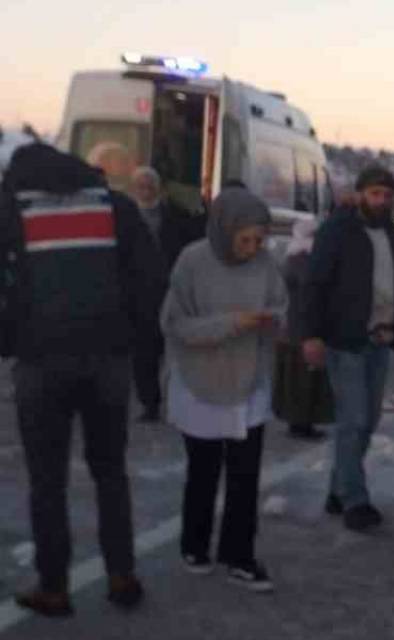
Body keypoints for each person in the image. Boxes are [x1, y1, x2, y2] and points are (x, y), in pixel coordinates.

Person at [0, 144, 162, 616]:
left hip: (41, 364)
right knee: (110, 472)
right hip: (107, 363)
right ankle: (122, 576)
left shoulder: (13, 209)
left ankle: (54, 587)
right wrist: (128, 336)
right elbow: (149, 279)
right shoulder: (115, 206)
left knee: (47, 481)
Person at [161, 188, 285, 592]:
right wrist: (233, 323)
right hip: (200, 381)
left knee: (245, 475)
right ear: (223, 230)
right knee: (203, 469)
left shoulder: (266, 266)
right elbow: (176, 325)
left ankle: (240, 556)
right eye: (245, 240)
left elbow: (282, 309)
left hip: (249, 381)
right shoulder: (193, 261)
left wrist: (273, 322)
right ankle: (194, 545)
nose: (252, 249)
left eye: (259, 241)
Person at [300, 166, 394, 532]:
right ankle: (355, 501)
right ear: (361, 193)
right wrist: (311, 334)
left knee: (367, 422)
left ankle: (339, 488)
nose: (381, 200)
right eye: (375, 193)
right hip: (345, 339)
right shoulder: (339, 231)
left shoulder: (393, 237)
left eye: (387, 194)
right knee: (353, 421)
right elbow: (314, 283)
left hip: (380, 340)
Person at [127, 166, 207, 423]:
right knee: (144, 354)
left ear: (158, 189)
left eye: (150, 186)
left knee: (175, 351)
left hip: (172, 293)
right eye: (141, 186)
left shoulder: (175, 216)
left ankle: (179, 401)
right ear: (134, 189)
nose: (146, 191)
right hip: (139, 296)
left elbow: (193, 242)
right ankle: (150, 403)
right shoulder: (126, 218)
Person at [273, 217, 334, 441]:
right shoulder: (304, 258)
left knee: (301, 378)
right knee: (302, 379)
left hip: (294, 326)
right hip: (299, 327)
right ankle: (300, 423)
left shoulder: (295, 255)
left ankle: (302, 421)